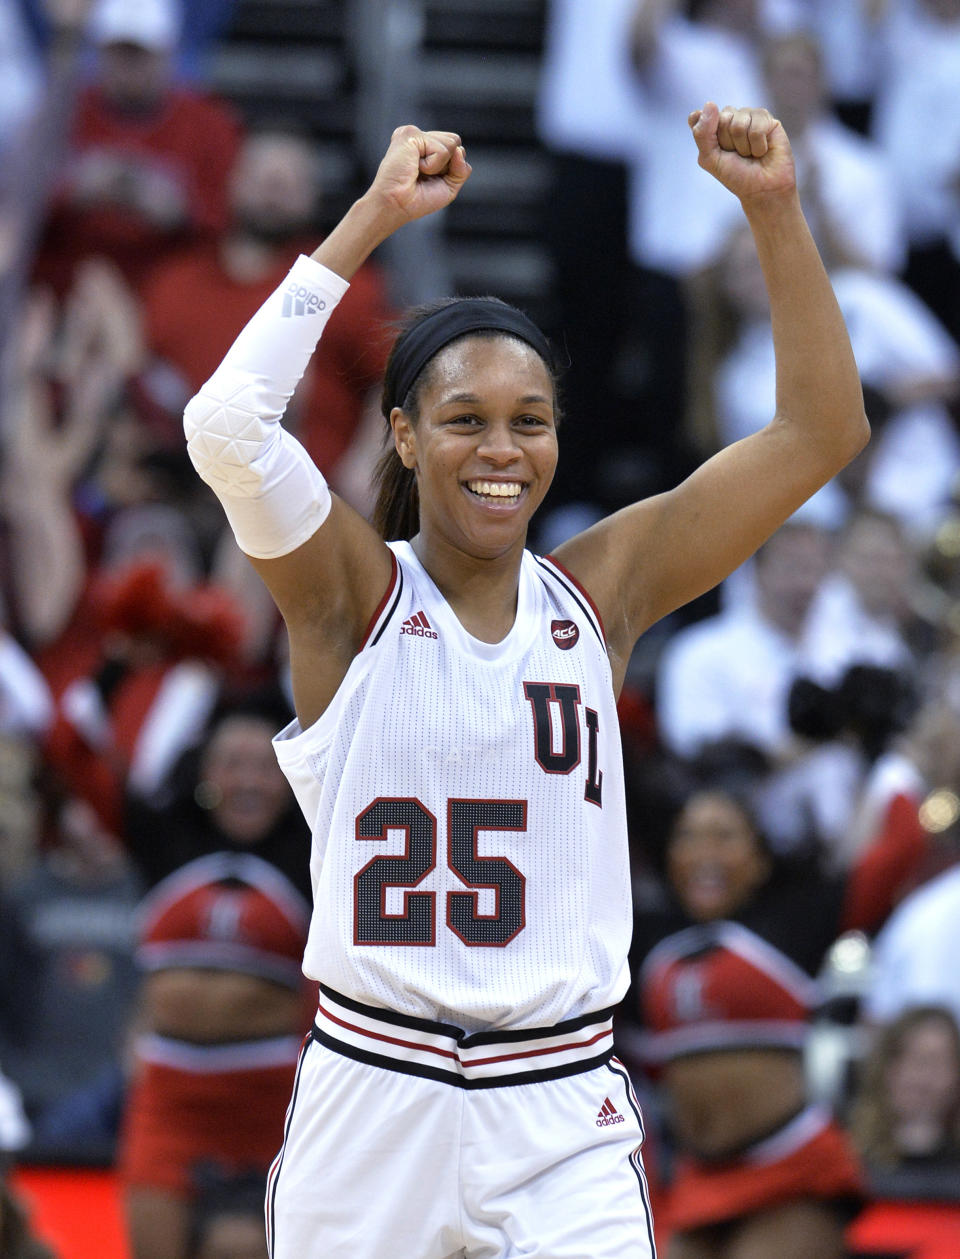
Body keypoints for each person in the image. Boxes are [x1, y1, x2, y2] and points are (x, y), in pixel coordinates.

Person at [183, 106, 868, 1258]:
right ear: (402, 434)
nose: (502, 449)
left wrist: (774, 210)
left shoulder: (601, 591)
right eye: (465, 420)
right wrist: (370, 219)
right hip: (374, 1087)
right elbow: (225, 426)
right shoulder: (348, 595)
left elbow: (818, 430)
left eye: (530, 422)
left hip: (560, 1100)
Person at [626, 780, 932, 1258]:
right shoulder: (644, 936)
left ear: (759, 859)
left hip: (789, 1175)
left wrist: (898, 771)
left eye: (724, 836)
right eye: (689, 836)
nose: (705, 852)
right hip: (695, 1179)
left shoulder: (795, 922)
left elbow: (900, 851)